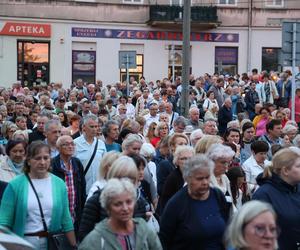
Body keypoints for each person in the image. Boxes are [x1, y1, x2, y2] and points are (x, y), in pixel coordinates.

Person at [0, 141, 76, 249]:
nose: (42, 162)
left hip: (52, 243)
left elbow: (66, 219)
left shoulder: (59, 184)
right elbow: (4, 222)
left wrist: (73, 245)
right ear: (28, 160)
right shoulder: (15, 185)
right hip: (23, 244)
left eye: (46, 158)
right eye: (37, 158)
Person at [159, 154, 229, 250]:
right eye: (199, 179)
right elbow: (164, 239)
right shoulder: (176, 204)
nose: (205, 182)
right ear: (187, 178)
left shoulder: (217, 195)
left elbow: (226, 226)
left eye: (207, 177)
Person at [78, 156, 152, 242]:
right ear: (112, 177)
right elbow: (84, 234)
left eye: (130, 178)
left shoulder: (139, 202)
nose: (126, 182)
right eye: (121, 177)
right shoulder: (97, 199)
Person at [79, 178, 162, 250]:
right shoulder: (95, 239)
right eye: (118, 204)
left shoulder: (144, 230)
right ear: (108, 208)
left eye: (129, 202)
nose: (125, 208)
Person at [253, 148, 300, 249]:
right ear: (286, 170)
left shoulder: (297, 187)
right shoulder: (263, 195)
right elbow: (258, 233)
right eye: (299, 166)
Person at [51, 135, 87, 234]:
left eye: (72, 144)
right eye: (66, 144)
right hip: (58, 215)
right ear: (58, 148)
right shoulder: (52, 164)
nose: (70, 146)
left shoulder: (77, 163)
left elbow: (82, 189)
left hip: (75, 213)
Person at [74, 114, 107, 193]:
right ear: (84, 127)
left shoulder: (101, 144)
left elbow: (105, 164)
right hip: (82, 188)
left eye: (96, 127)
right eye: (91, 127)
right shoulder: (75, 143)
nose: (94, 129)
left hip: (98, 189)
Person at [159, 145, 194, 213]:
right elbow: (167, 203)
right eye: (183, 158)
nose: (187, 161)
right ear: (177, 161)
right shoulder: (173, 178)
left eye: (190, 158)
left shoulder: (197, 174)